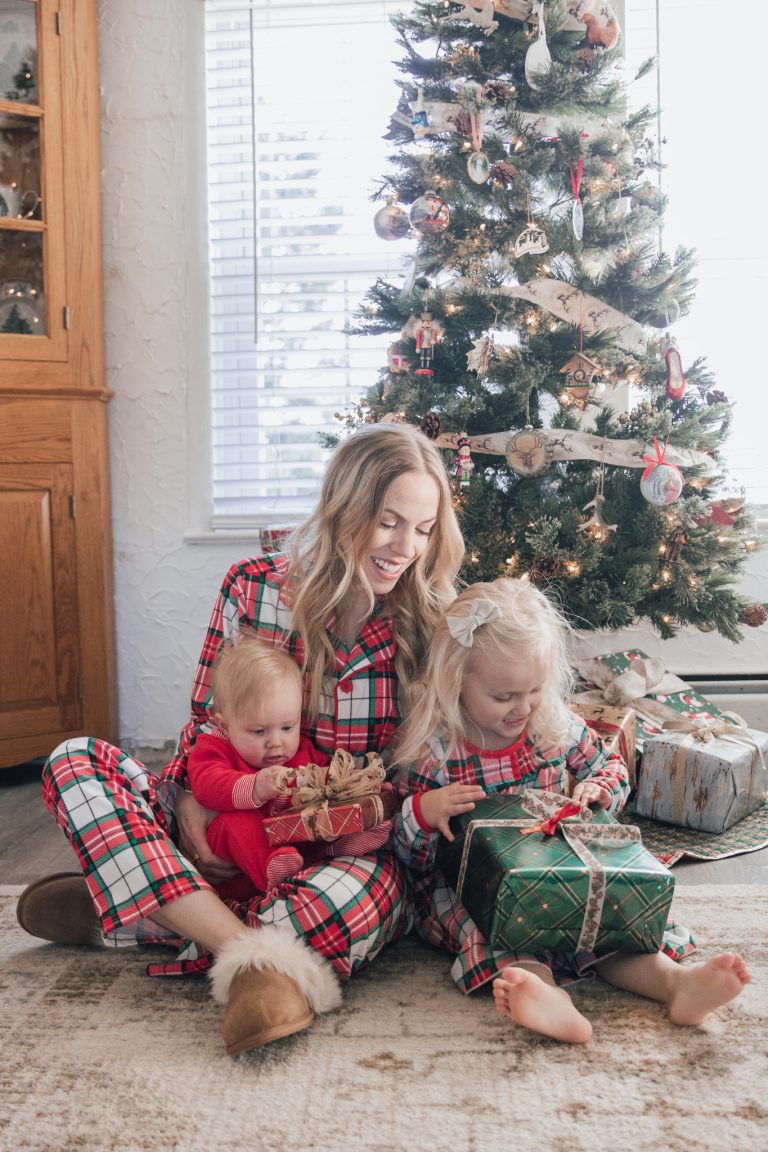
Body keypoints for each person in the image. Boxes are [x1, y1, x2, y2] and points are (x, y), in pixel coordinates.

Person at [16, 422, 465, 1056]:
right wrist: (195, 807)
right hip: (224, 817)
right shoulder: (251, 587)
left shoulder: (431, 628)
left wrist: (368, 820)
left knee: (366, 896)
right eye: (388, 521)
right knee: (76, 761)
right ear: (345, 507)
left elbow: (417, 787)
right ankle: (249, 959)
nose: (405, 547)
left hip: (330, 860)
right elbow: (204, 727)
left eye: (423, 529)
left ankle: (147, 914)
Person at [392, 578, 751, 1044]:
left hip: (562, 865)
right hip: (476, 888)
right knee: (510, 938)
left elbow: (611, 765)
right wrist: (422, 812)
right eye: (503, 697)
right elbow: (411, 858)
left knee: (611, 923)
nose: (522, 708)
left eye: (534, 690)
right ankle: (545, 996)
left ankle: (676, 984)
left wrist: (600, 789)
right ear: (456, 682)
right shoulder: (435, 753)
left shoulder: (552, 726)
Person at [187, 633, 391, 897]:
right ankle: (271, 866)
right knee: (235, 821)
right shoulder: (216, 746)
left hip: (295, 848)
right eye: (259, 732)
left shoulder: (301, 752)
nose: (276, 743)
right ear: (225, 724)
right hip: (239, 868)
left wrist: (359, 787)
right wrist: (255, 787)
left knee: (318, 814)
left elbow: (327, 777)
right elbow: (205, 785)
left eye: (287, 727)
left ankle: (338, 845)